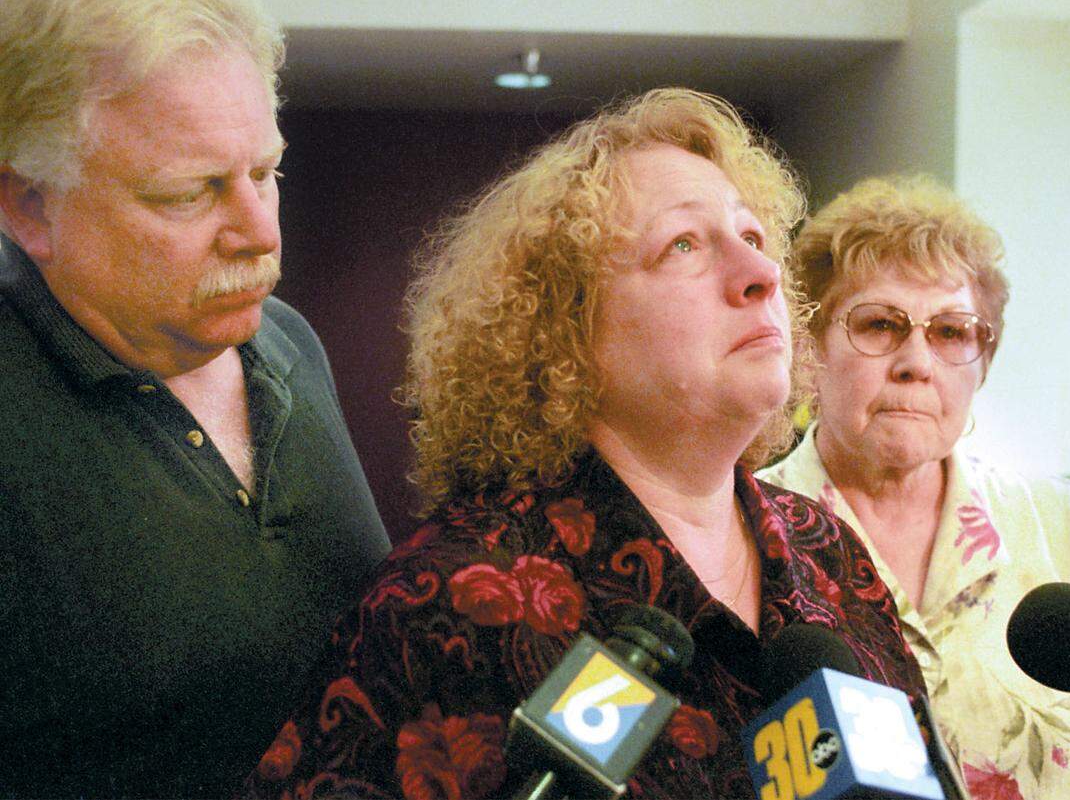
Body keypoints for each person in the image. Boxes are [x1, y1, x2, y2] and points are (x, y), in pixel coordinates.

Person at [242, 88, 926, 800]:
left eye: (754, 238)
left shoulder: (829, 554)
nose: (762, 274)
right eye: (684, 245)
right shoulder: (454, 598)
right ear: (567, 329)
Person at [0, 0, 391, 796]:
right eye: (190, 192)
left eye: (266, 172)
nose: (260, 232)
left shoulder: (288, 340)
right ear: (30, 205)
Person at [759, 175, 1070, 799]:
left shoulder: (1050, 521)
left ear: (982, 364)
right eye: (880, 325)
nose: (916, 362)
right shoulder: (748, 531)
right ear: (810, 350)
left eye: (951, 332)